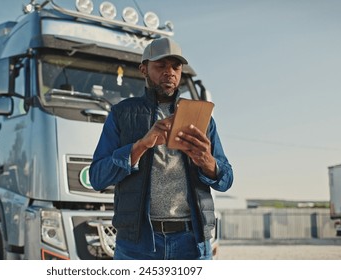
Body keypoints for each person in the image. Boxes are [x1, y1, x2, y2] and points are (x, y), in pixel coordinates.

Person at [89, 37, 233, 260]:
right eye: (161, 66)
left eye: (175, 67)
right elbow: (97, 177)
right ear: (143, 69)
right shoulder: (121, 114)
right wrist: (141, 145)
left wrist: (207, 162)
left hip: (192, 243)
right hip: (138, 245)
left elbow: (227, 178)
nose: (170, 72)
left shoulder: (202, 118)